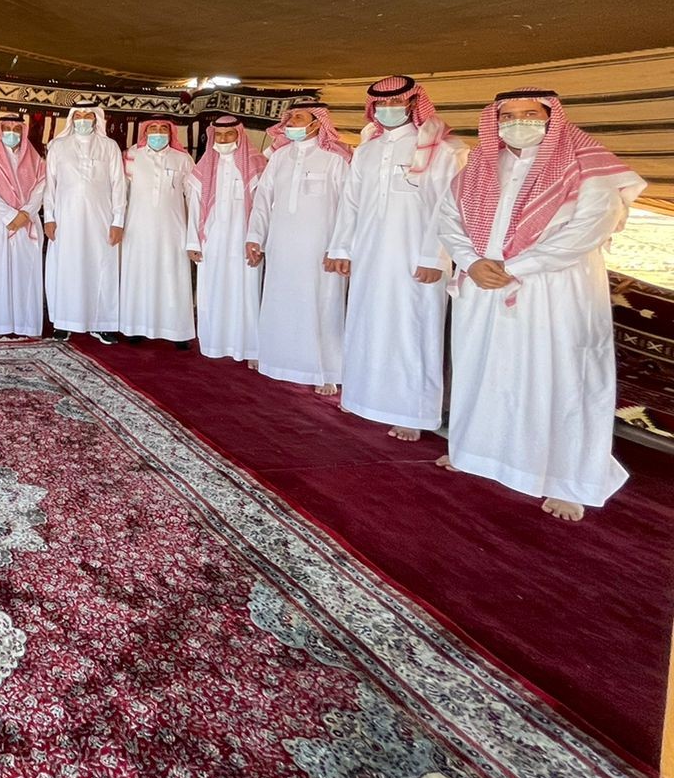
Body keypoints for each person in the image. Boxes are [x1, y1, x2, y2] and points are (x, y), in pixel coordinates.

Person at [438, 90, 645, 520]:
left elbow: (589, 228)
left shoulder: (587, 165)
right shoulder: (481, 166)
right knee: (486, 371)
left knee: (560, 377)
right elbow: (448, 219)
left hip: (555, 290)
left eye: (529, 114)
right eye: (509, 115)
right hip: (484, 285)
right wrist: (472, 262)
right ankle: (477, 451)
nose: (518, 122)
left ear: (551, 118)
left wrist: (517, 267)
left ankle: (568, 480)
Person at [325, 76, 464, 440]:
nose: (388, 110)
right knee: (367, 323)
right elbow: (351, 202)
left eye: (396, 103)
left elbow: (449, 208)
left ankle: (412, 413)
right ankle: (365, 398)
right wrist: (341, 248)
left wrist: (435, 257)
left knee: (412, 329)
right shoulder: (367, 149)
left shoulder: (441, 149)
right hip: (370, 254)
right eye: (381, 104)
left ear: (413, 104)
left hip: (416, 258)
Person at [246, 102, 350, 391]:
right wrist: (255, 237)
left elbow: (348, 207)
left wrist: (340, 247)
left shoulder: (336, 159)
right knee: (281, 301)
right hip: (281, 244)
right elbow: (263, 200)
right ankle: (278, 361)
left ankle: (326, 371)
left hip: (321, 247)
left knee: (323, 305)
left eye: (298, 118)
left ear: (317, 123)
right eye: (289, 117)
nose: (290, 122)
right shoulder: (279, 157)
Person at [43, 105, 125, 344]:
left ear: (96, 119)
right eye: (77, 116)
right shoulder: (58, 146)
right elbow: (50, 185)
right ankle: (63, 322)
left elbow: (119, 185)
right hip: (65, 220)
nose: (82, 120)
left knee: (101, 268)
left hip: (101, 220)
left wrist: (118, 221)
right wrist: (49, 217)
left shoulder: (109, 146)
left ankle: (102, 324)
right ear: (71, 119)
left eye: (87, 115)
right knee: (66, 268)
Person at [187, 115, 265, 364]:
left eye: (229, 134)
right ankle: (214, 343)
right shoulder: (204, 166)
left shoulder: (256, 163)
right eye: (218, 135)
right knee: (212, 292)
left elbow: (263, 207)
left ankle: (249, 349)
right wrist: (192, 242)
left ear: (239, 135)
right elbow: (195, 207)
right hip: (212, 241)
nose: (223, 139)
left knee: (246, 293)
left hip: (245, 241)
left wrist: (259, 241)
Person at [117, 117, 195, 347]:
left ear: (171, 133)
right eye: (153, 128)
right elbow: (121, 192)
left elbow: (192, 196)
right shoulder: (131, 156)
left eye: (163, 129)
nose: (158, 133)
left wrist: (194, 231)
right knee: (138, 277)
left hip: (173, 230)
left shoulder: (182, 159)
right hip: (137, 229)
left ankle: (177, 331)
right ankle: (135, 327)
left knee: (173, 278)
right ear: (145, 132)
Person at [0, 114, 47, 339]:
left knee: (27, 273)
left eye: (16, 129)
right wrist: (10, 216)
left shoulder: (35, 159)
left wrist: (25, 213)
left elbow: (42, 186)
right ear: (0, 131)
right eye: (7, 128)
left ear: (23, 132)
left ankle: (28, 326)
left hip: (27, 222)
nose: (11, 133)